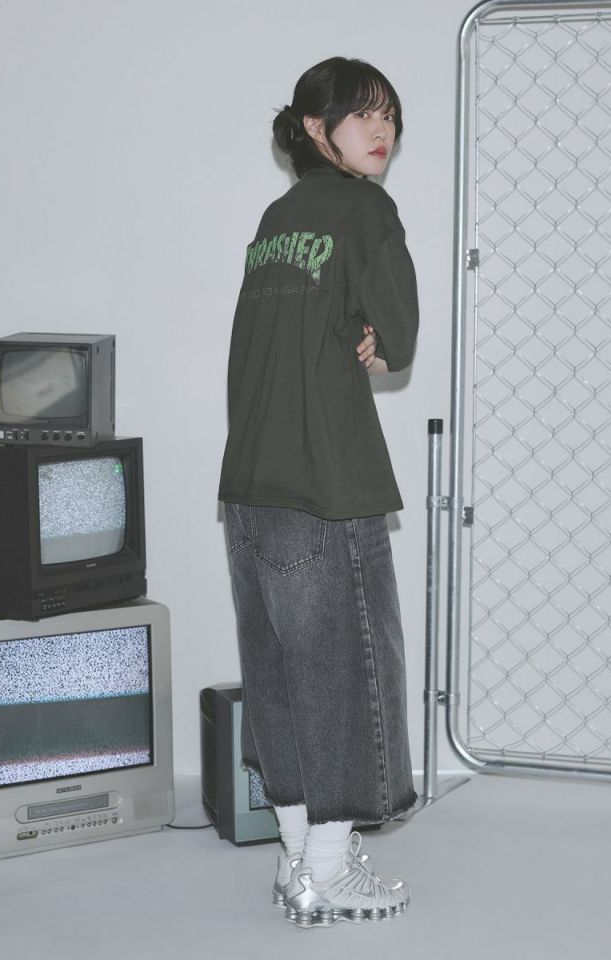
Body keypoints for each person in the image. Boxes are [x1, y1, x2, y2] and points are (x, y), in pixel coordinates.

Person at [218, 56, 419, 928]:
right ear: (314, 127)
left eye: (390, 117)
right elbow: (401, 331)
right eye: (364, 114)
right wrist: (376, 335)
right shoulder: (365, 209)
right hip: (328, 483)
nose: (382, 131)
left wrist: (355, 328)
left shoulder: (277, 220)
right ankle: (330, 873)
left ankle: (296, 861)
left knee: (278, 677)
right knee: (346, 674)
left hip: (249, 484)